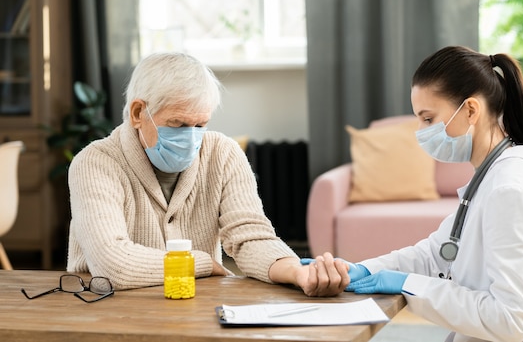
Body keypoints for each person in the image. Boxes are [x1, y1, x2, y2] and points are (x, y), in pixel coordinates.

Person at [343, 46, 523, 341]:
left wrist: (408, 284)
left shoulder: (509, 189)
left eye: (428, 119)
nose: (420, 131)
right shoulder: (489, 178)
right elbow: (436, 254)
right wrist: (360, 270)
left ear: (471, 110)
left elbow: (511, 320)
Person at [67, 52, 349, 296]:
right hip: (109, 311)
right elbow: (112, 264)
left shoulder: (223, 154)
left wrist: (298, 272)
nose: (190, 138)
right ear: (139, 113)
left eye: (200, 125)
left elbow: (250, 238)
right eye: (177, 124)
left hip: (193, 306)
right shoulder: (94, 162)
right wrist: (202, 263)